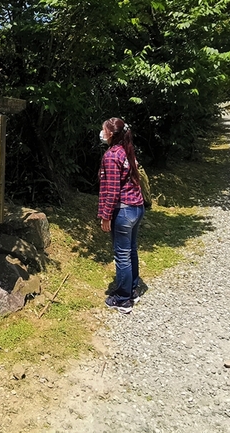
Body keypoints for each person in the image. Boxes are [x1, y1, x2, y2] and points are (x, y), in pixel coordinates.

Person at [97, 117, 145, 314]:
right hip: (137, 207)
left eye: (103, 130)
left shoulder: (111, 156)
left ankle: (123, 299)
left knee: (122, 255)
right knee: (131, 250)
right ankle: (133, 288)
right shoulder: (127, 151)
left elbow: (112, 190)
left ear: (111, 134)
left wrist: (106, 216)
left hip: (123, 211)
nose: (101, 133)